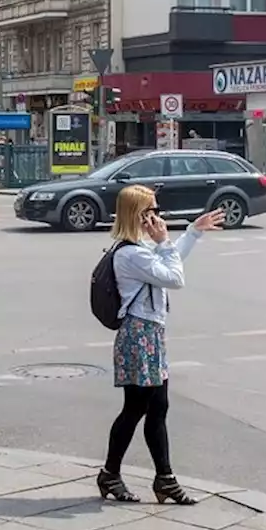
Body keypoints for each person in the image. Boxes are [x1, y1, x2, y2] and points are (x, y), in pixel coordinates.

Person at [97, 185, 225, 506]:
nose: (158, 216)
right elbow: (174, 277)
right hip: (140, 336)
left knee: (157, 407)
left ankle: (162, 478)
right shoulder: (129, 253)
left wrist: (193, 232)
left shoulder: (137, 249)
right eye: (151, 211)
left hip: (149, 334)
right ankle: (114, 474)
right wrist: (165, 240)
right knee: (137, 408)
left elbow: (168, 264)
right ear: (137, 215)